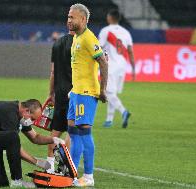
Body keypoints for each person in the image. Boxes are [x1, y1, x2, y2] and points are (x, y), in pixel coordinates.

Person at [67, 3, 108, 187]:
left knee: (84, 133)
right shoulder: (77, 37)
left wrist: (103, 90)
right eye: (68, 17)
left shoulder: (88, 38)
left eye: (72, 17)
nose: (68, 20)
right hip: (75, 93)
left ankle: (89, 176)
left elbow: (103, 62)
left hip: (86, 93)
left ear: (83, 19)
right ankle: (73, 173)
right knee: (73, 132)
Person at [98, 9, 135, 128]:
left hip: (111, 66)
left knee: (108, 93)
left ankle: (124, 111)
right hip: (122, 66)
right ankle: (109, 120)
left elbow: (98, 48)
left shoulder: (106, 31)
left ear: (109, 18)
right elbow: (130, 51)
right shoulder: (126, 32)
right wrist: (133, 69)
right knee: (112, 92)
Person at [46, 29, 75, 173]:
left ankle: (49, 166)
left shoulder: (57, 43)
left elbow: (52, 72)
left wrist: (50, 92)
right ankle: (64, 166)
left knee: (55, 130)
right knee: (72, 131)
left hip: (60, 92)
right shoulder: (80, 43)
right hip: (75, 92)